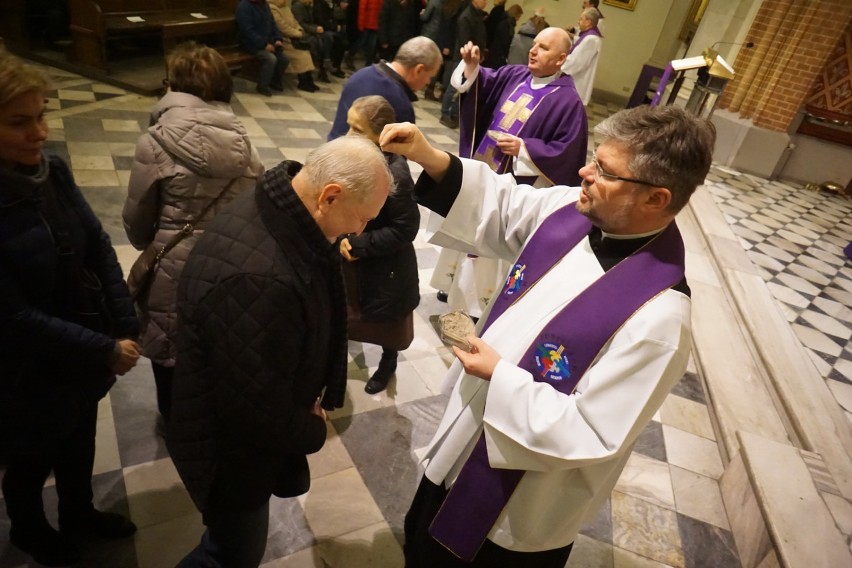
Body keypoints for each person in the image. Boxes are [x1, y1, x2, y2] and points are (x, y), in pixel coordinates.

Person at [379, 104, 716, 566]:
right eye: (595, 157)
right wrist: (429, 156)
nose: (584, 171)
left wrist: (500, 377)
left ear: (656, 199)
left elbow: (593, 431)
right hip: (463, 441)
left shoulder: (659, 319)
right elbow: (501, 204)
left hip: (513, 506)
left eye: (603, 169)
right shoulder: (569, 210)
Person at [168, 135, 394, 567]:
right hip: (229, 456)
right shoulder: (261, 279)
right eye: (362, 218)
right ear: (330, 196)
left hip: (235, 437)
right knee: (230, 554)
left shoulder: (279, 209)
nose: (360, 231)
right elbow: (252, 408)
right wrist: (312, 430)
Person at [0, 50, 140, 566]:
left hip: (77, 346)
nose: (38, 132)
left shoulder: (52, 170)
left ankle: (79, 513)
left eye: (41, 115)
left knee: (80, 437)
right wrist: (104, 348)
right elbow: (11, 317)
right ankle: (29, 531)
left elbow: (96, 243)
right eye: (19, 122)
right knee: (30, 456)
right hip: (22, 365)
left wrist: (124, 320)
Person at [122, 42, 264, 426]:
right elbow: (255, 214)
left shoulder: (155, 142)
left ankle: (173, 425)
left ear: (174, 87)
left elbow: (137, 222)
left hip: (174, 267)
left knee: (169, 351)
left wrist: (157, 241)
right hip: (227, 267)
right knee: (214, 346)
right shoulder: (246, 148)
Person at [432, 28, 587, 317]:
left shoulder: (569, 103)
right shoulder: (515, 75)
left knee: (490, 235)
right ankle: (451, 284)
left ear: (561, 58)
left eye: (543, 47)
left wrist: (525, 149)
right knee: (467, 221)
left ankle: (479, 303)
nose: (533, 50)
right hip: (484, 169)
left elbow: (567, 152)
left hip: (513, 185)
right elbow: (479, 85)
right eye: (534, 44)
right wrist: (471, 65)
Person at [341, 95, 420, 394]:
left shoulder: (395, 174)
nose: (349, 135)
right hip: (354, 258)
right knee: (349, 311)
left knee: (388, 323)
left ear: (381, 133)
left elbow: (404, 229)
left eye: (357, 130)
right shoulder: (356, 157)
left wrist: (358, 243)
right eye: (349, 126)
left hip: (385, 267)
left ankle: (388, 363)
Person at [328, 35, 442, 140]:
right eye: (430, 77)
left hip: (330, 154)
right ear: (419, 70)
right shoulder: (400, 103)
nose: (428, 82)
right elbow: (397, 158)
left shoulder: (360, 75)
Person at [439, 0, 487, 129]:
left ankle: (455, 113)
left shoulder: (478, 15)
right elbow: (464, 39)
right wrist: (470, 54)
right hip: (463, 57)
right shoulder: (466, 16)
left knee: (465, 88)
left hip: (473, 57)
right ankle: (444, 113)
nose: (486, 2)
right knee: (453, 86)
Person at [235, 0, 290, 96]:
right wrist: (264, 44)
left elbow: (273, 24)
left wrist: (278, 39)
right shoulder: (244, 7)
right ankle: (262, 86)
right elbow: (248, 31)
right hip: (250, 44)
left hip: (268, 42)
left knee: (284, 59)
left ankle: (274, 81)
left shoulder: (264, 5)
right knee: (270, 59)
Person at [269, 0, 321, 92]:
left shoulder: (285, 8)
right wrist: (297, 34)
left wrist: (299, 29)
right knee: (302, 54)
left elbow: (295, 21)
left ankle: (308, 79)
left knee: (307, 50)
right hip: (284, 40)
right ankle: (303, 81)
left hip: (294, 38)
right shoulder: (273, 8)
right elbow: (282, 27)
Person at [562, 7, 603, 106]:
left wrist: (559, 60)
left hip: (577, 83)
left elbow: (576, 63)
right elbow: (579, 46)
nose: (578, 21)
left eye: (581, 19)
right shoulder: (588, 37)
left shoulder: (591, 39)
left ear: (588, 21)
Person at [483, 3, 523, 69]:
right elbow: (505, 41)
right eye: (519, 16)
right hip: (498, 54)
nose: (519, 19)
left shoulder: (505, 21)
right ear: (516, 14)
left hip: (495, 52)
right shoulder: (508, 25)